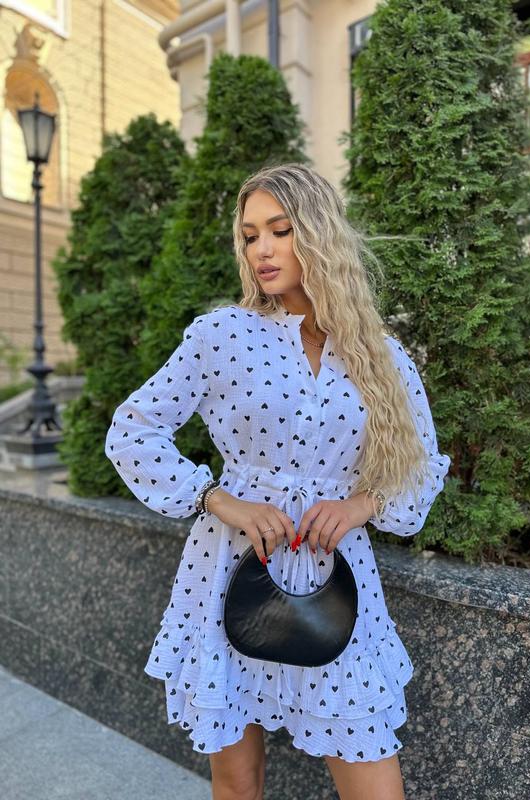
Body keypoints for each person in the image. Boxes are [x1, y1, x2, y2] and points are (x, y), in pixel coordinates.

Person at [105, 163, 452, 800]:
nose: (261, 249)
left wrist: (362, 504)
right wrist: (218, 499)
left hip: (336, 579)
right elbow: (133, 430)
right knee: (239, 783)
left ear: (318, 234)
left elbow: (423, 462)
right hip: (230, 569)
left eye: (280, 231)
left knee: (374, 779)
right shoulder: (222, 336)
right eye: (249, 236)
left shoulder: (380, 353)